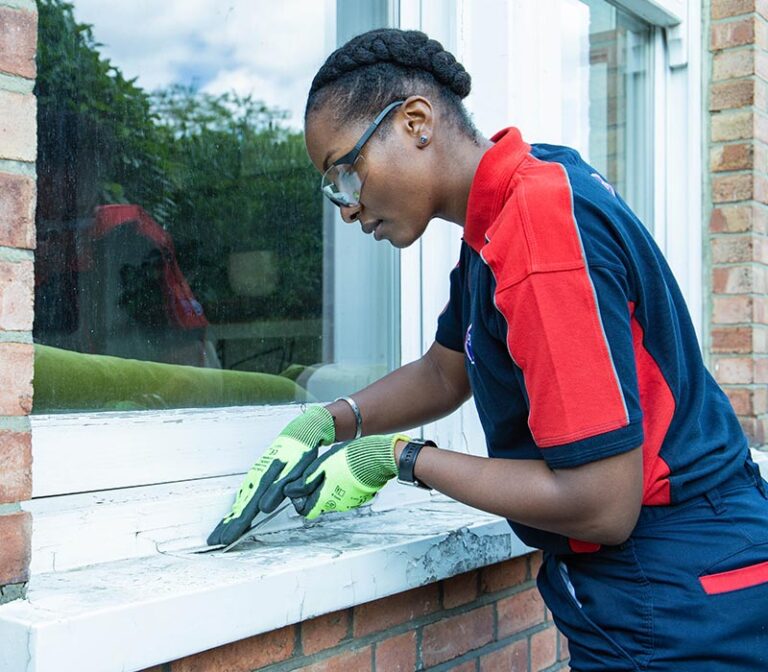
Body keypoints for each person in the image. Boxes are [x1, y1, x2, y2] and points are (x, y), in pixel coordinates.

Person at [208, 28, 768, 671]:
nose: (345, 207)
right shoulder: (504, 213)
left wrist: (403, 459)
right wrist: (330, 421)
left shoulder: (536, 230)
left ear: (416, 122)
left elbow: (602, 503)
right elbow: (445, 372)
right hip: (668, 586)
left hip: (682, 604)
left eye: (344, 172)